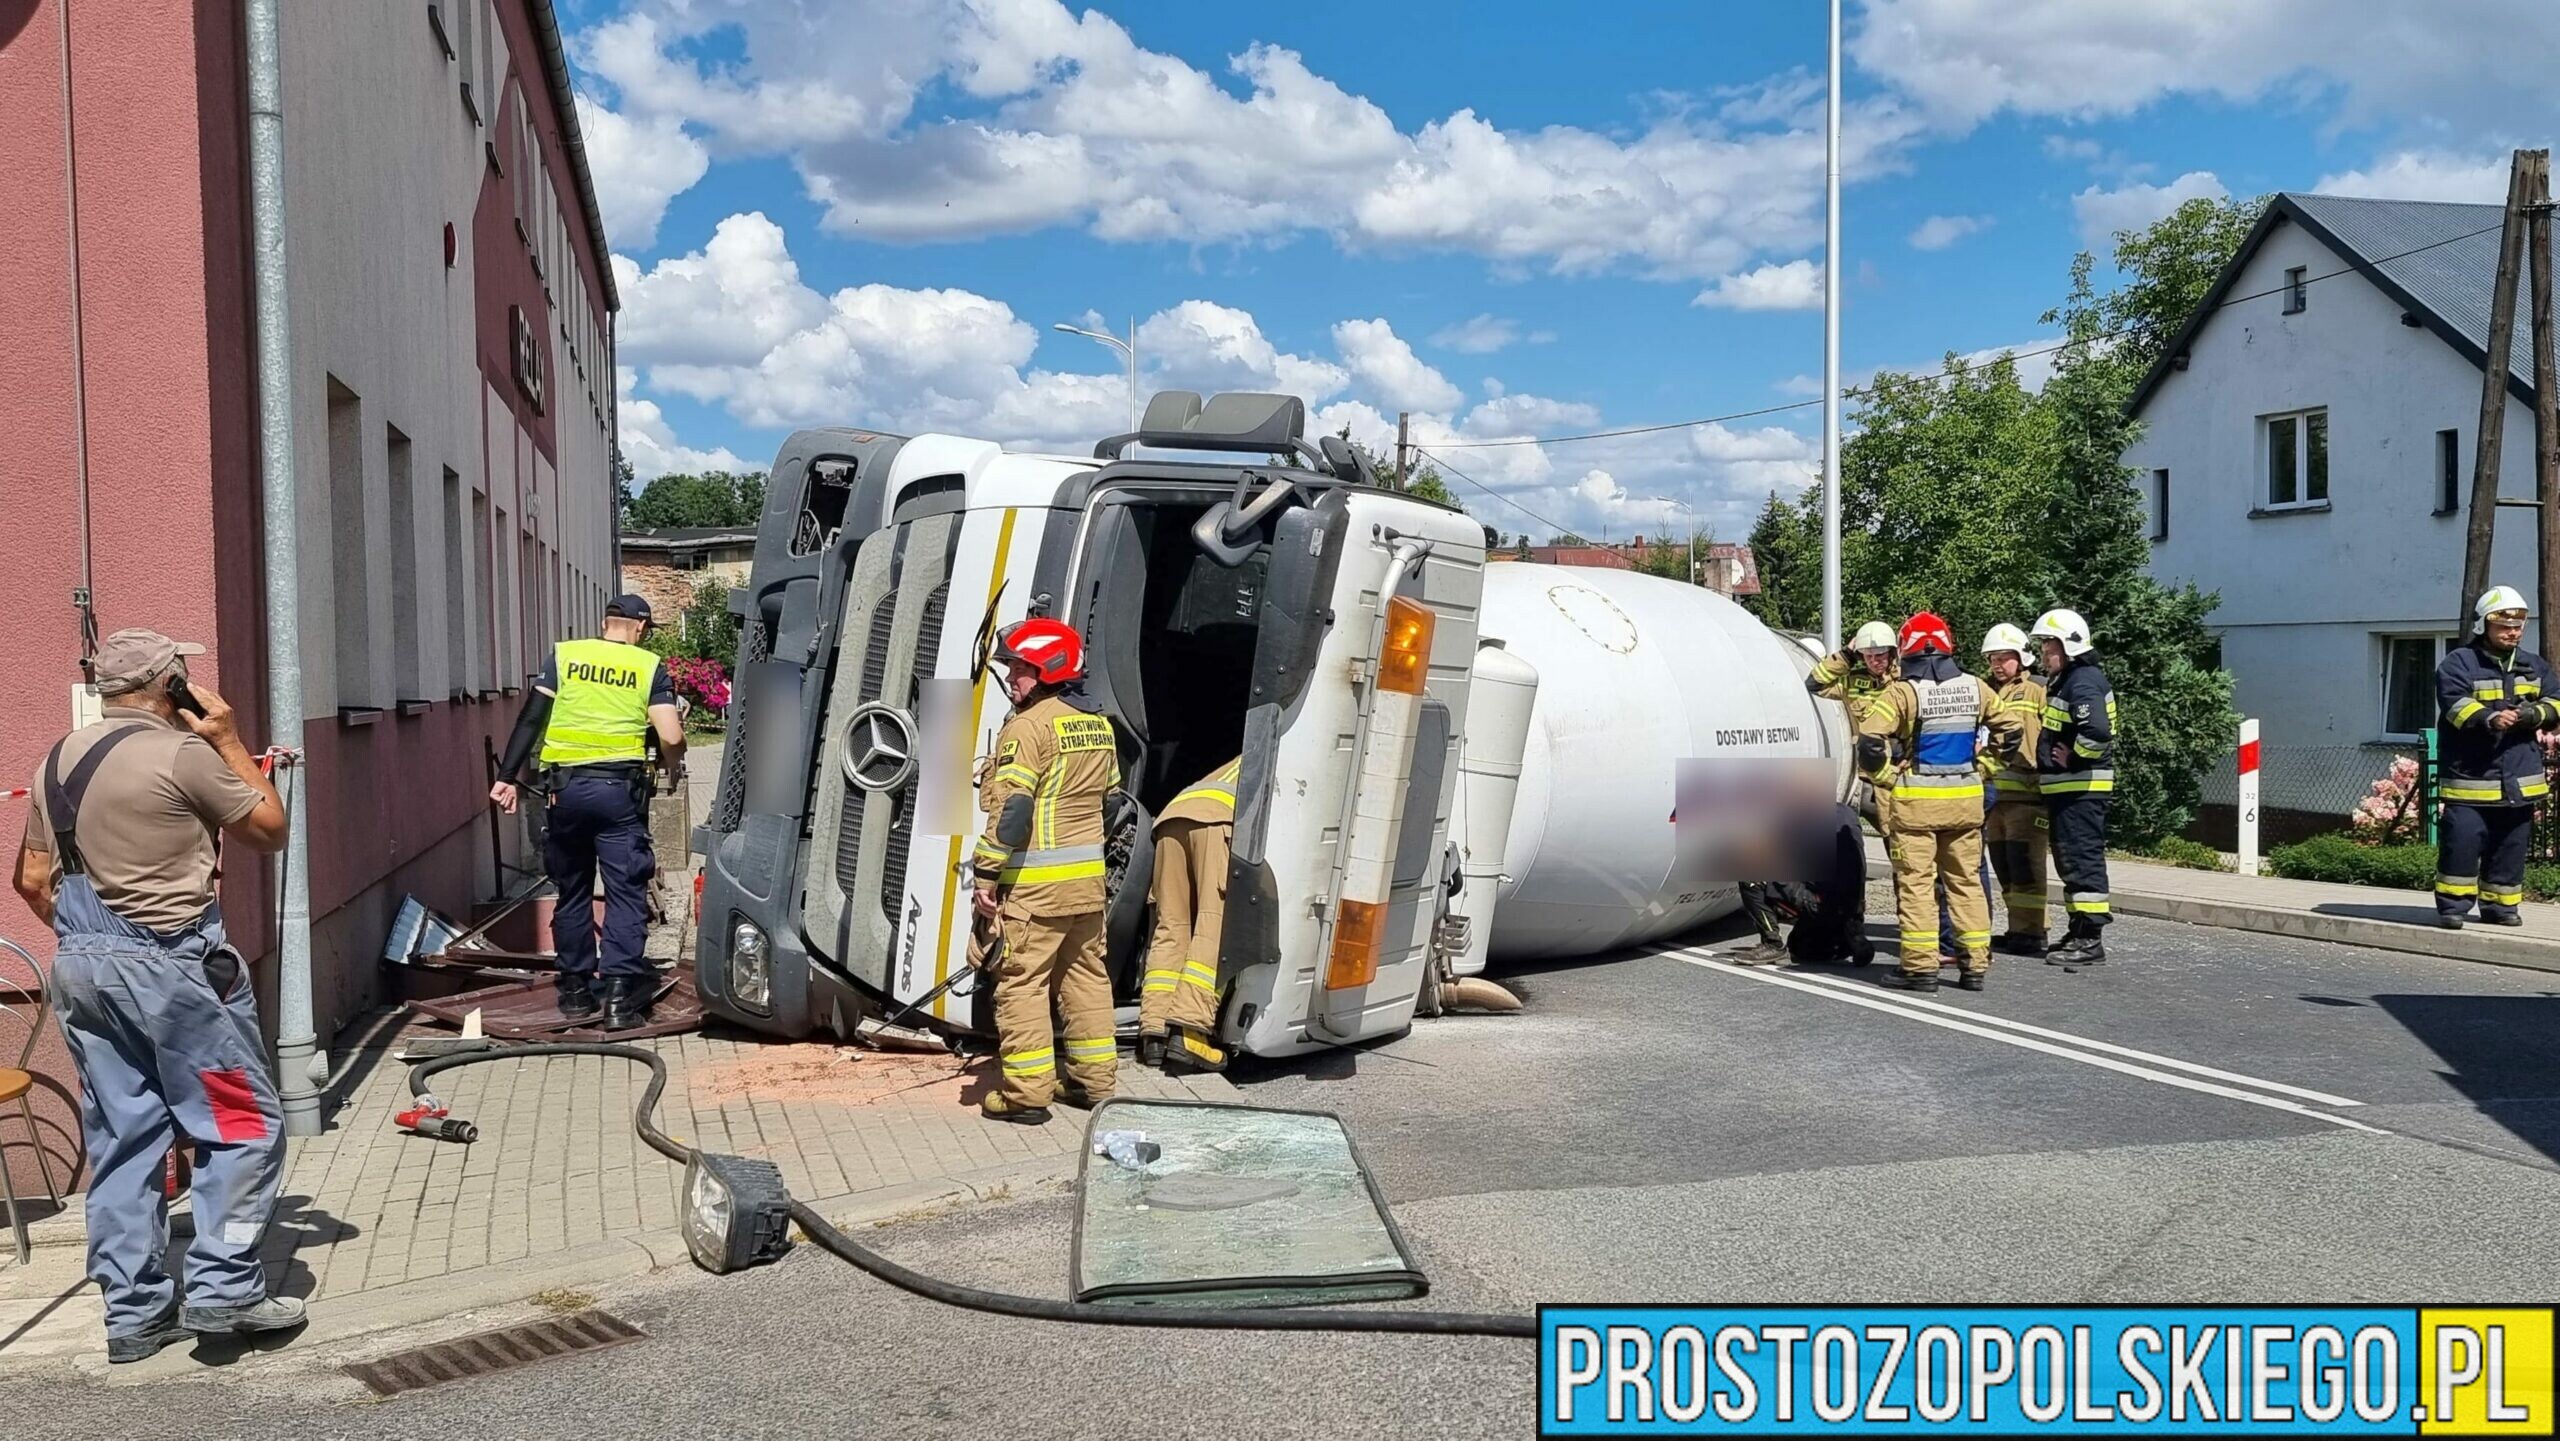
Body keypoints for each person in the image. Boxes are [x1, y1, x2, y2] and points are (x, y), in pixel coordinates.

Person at [12, 630, 303, 1362]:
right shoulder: (184, 754)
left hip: (81, 969)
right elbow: (269, 827)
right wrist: (231, 739)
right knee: (239, 1121)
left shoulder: (55, 760)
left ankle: (135, 1314)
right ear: (171, 683)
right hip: (175, 973)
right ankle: (225, 1287)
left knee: (123, 1137)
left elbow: (31, 880)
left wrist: (96, 942)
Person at [489, 595, 685, 1030]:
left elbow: (530, 719)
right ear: (640, 628)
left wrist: (506, 776)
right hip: (619, 796)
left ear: (604, 623)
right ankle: (618, 1002)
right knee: (626, 893)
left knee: (573, 891)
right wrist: (673, 760)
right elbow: (670, 735)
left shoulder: (565, 656)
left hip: (566, 794)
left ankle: (576, 993)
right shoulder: (647, 665)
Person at [970, 618, 1121, 1124]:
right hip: (1086, 887)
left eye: (1019, 668)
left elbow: (1013, 813)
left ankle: (1027, 1095)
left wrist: (986, 877)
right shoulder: (1097, 723)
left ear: (1049, 668)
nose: (1011, 678)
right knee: (1086, 979)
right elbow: (1113, 802)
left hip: (1035, 890)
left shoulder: (1028, 727)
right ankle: (1092, 1083)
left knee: (1021, 983)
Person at [1863, 612, 2022, 992]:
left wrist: (1887, 778)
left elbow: (1869, 741)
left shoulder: (1903, 692)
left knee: (1917, 885)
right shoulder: (1976, 688)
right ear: (1948, 647)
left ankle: (1920, 970)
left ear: (1907, 650)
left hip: (1916, 806)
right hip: (1966, 804)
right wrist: (1985, 768)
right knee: (1965, 883)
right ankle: (1974, 968)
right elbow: (2012, 730)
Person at [2434, 586, 2559, 929]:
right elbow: (2455, 705)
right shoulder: (2459, 663)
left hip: (2518, 780)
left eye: (2518, 626)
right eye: (2504, 626)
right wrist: (2489, 718)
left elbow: (2556, 703)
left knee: (2511, 847)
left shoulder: (2534, 665)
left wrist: (2532, 715)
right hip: (2470, 780)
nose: (2513, 632)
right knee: (2461, 843)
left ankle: (2501, 906)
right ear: (2483, 626)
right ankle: (2453, 907)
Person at [1137, 756, 1239, 1073]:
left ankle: (1155, 1031)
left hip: (1172, 818)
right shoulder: (1296, 754)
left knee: (1172, 926)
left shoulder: (1243, 756)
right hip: (1217, 821)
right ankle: (1190, 1031)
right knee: (1214, 923)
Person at [2031, 608, 2116, 966]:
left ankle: (2090, 937)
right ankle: (2078, 928)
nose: (2044, 653)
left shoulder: (2081, 681)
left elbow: (2096, 731)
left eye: (2048, 646)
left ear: (2066, 647)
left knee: (2081, 860)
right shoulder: (2070, 679)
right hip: (2069, 789)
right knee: (2070, 861)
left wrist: (2076, 759)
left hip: (2081, 787)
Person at [1979, 623, 2051, 957]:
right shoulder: (1986, 690)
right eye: (1992, 658)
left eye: (2004, 657)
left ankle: (2032, 932)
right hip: (1995, 794)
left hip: (2028, 793)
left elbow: (2051, 735)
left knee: (2026, 865)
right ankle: (2018, 927)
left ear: (2021, 657)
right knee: (2004, 864)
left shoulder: (2038, 688)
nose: (1997, 664)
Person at [1731, 801, 1874, 968]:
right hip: (1851, 906)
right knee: (1801, 949)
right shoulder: (1847, 814)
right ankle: (1851, 934)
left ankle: (1772, 943)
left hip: (1818, 902)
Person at [1808, 620, 1901, 829]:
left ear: (1892, 654)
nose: (1874, 661)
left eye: (1880, 656)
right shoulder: (1853, 683)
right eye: (1868, 656)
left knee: (1902, 846)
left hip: (1898, 777)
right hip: (1866, 781)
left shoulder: (1905, 683)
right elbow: (1814, 684)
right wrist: (1847, 655)